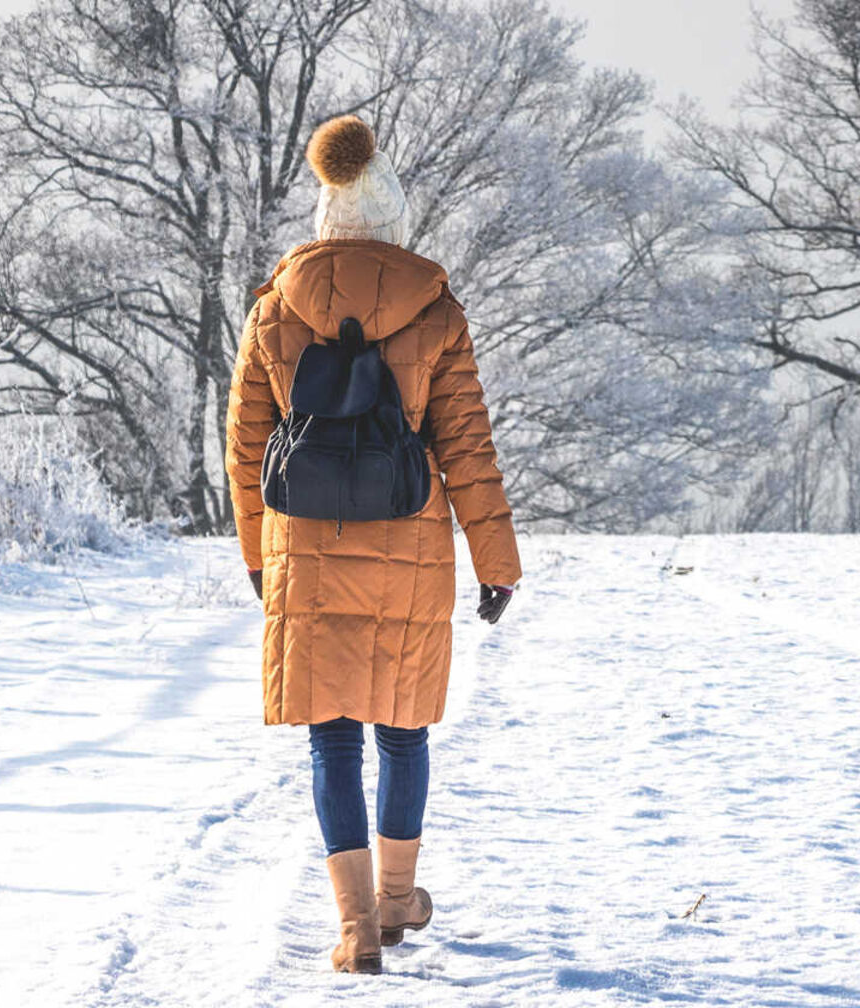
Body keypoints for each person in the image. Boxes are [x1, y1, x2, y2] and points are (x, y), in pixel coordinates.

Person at [224, 114, 521, 976]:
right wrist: (496, 565)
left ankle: (355, 928)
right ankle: (397, 900)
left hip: (305, 550)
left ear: (325, 218)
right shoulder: (435, 309)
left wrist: (254, 554)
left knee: (331, 742)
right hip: (411, 548)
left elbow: (247, 445)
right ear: (393, 220)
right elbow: (466, 443)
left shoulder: (276, 309)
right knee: (401, 734)